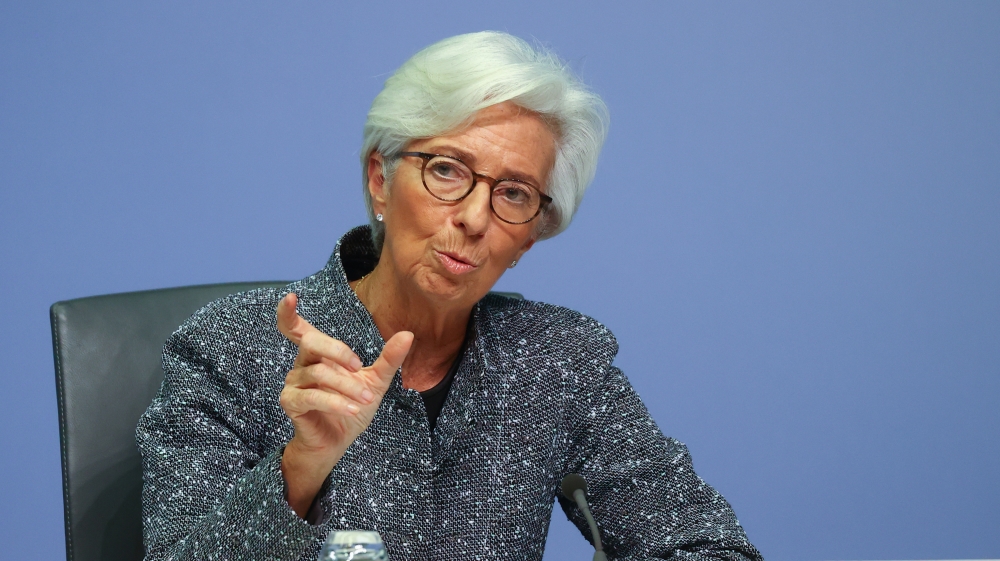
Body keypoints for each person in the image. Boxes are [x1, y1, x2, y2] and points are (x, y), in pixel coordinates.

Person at [137, 31, 762, 561]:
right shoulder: (230, 349)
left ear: (530, 239)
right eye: (447, 170)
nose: (474, 218)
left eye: (514, 192)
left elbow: (704, 544)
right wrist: (302, 462)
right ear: (380, 181)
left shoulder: (556, 361)